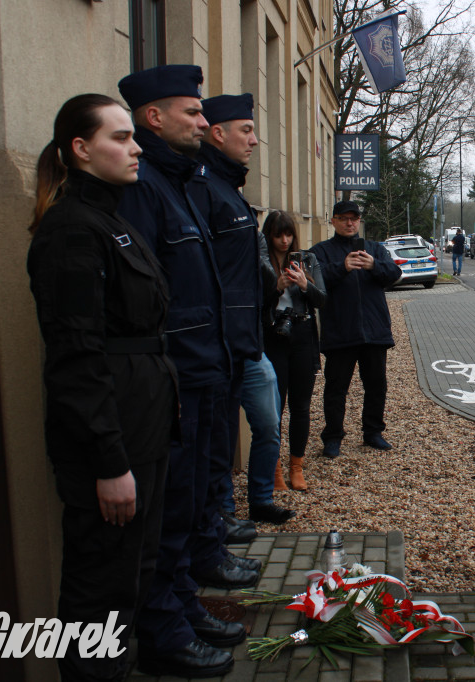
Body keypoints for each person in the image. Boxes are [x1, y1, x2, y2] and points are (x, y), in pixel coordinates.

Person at [27, 93, 177, 682]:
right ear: (80, 149)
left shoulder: (111, 220)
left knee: (132, 577)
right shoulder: (71, 231)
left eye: (131, 135)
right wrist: (109, 462)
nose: (135, 145)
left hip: (142, 426)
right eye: (120, 136)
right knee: (100, 596)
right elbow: (74, 359)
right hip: (111, 442)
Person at [116, 64, 250, 678]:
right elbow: (144, 298)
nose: (204, 120)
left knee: (191, 501)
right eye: (193, 113)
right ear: (154, 118)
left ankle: (182, 607)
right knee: (169, 514)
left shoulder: (181, 182)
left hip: (201, 372)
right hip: (175, 379)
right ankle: (164, 629)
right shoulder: (143, 187)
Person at [186, 93, 294, 525]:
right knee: (220, 436)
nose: (254, 140)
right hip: (221, 345)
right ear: (218, 133)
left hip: (249, 344)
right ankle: (225, 515)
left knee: (268, 426)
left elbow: (248, 272)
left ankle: (260, 500)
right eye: (246, 131)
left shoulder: (230, 192)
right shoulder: (202, 190)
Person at [310, 201, 401, 459]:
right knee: (336, 388)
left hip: (374, 331)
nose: (350, 223)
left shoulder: (374, 249)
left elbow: (394, 273)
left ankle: (373, 432)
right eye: (344, 219)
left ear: (359, 221)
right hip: (340, 331)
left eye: (354, 219)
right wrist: (343, 267)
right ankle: (333, 437)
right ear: (334, 221)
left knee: (376, 386)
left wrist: (374, 265)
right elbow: (314, 282)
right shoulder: (322, 251)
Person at [262, 210, 327, 481]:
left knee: (300, 406)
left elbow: (322, 299)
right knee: (274, 407)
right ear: (269, 236)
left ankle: (296, 466)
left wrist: (304, 285)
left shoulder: (308, 260)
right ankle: (275, 468)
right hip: (273, 336)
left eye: (289, 234)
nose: (285, 241)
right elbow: (252, 302)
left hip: (302, 335)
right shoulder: (261, 261)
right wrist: (276, 287)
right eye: (279, 235)